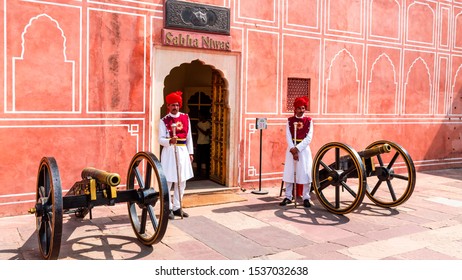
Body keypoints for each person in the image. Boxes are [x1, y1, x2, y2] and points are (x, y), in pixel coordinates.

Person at [159, 91, 194, 219]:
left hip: (183, 151)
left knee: (181, 180)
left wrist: (190, 152)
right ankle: (168, 208)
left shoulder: (185, 117)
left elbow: (189, 136)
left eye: (177, 105)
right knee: (168, 180)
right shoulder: (164, 121)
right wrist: (169, 141)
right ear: (168, 106)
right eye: (172, 105)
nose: (175, 107)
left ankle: (177, 207)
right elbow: (160, 139)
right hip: (169, 152)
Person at [280, 96, 313, 208]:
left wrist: (298, 149)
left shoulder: (309, 121)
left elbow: (309, 138)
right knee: (289, 173)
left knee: (305, 173)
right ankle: (288, 197)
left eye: (303, 108)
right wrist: (293, 149)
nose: (301, 110)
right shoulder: (289, 121)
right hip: (291, 149)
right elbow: (288, 136)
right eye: (299, 108)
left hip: (303, 151)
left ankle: (306, 198)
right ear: (295, 109)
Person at [195, 111, 211, 178]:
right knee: (199, 159)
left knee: (207, 159)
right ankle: (198, 172)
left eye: (200, 115)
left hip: (206, 143)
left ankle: (207, 173)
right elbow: (197, 134)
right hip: (199, 143)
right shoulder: (199, 123)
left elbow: (206, 133)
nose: (199, 117)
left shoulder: (208, 124)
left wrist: (198, 127)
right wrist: (195, 142)